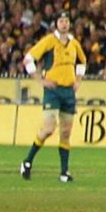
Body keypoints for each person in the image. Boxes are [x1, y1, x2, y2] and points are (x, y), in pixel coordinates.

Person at [20, 13, 86, 183]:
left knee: (65, 132)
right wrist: (40, 80)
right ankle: (27, 161)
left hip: (68, 92)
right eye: (61, 21)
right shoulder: (49, 41)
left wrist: (78, 80)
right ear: (56, 24)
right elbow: (28, 59)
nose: (64, 24)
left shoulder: (74, 43)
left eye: (66, 21)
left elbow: (82, 62)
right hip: (53, 91)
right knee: (49, 128)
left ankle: (64, 172)